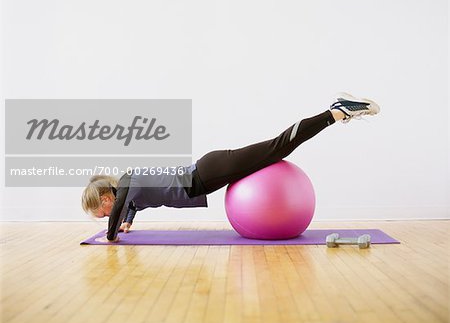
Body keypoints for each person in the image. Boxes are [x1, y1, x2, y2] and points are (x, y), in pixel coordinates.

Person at [81, 92, 380, 243]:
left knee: (280, 145)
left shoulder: (128, 180)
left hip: (208, 171)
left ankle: (336, 111)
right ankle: (336, 113)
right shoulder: (129, 192)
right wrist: (128, 223)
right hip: (210, 172)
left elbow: (123, 203)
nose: (107, 215)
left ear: (106, 199)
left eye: (103, 212)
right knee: (278, 148)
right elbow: (130, 205)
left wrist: (111, 236)